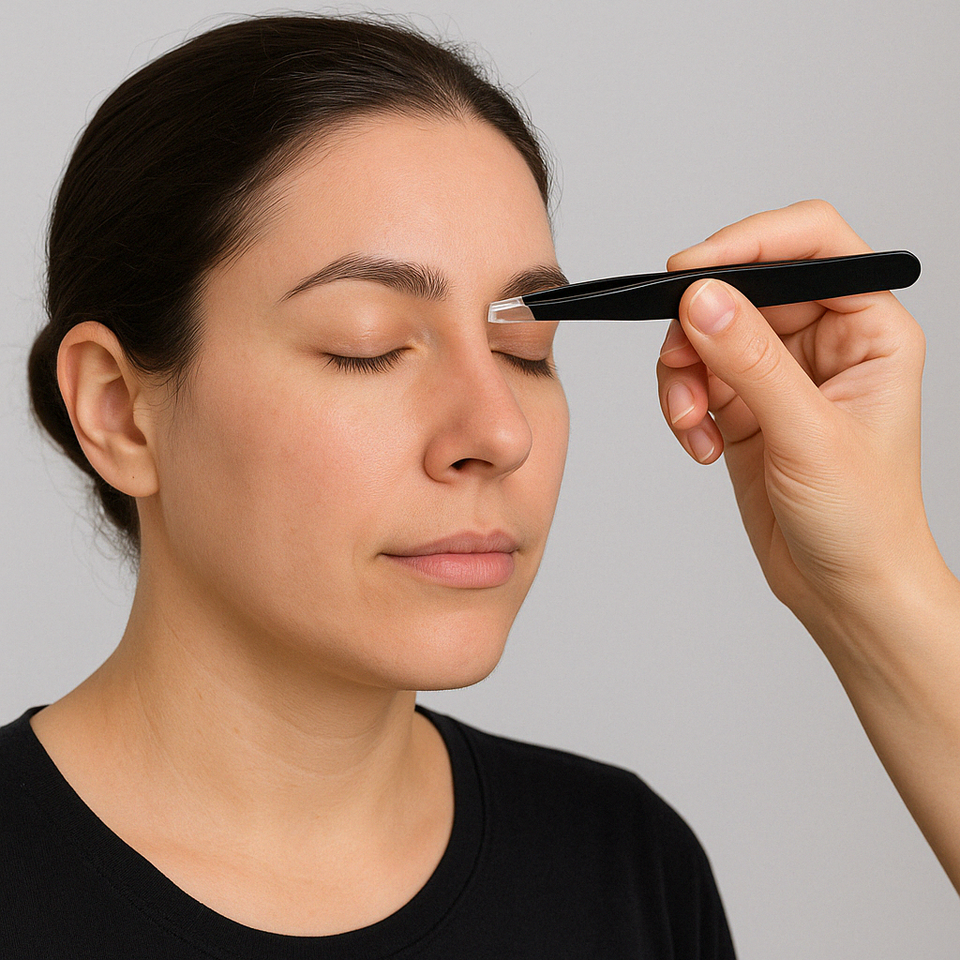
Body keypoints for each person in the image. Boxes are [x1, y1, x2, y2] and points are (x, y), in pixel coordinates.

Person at [2, 11, 957, 958]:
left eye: (525, 349)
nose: (498, 431)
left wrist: (877, 579)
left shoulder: (625, 868)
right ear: (120, 409)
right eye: (365, 348)